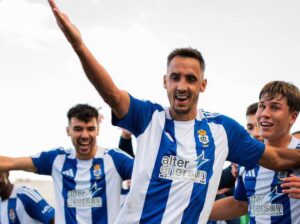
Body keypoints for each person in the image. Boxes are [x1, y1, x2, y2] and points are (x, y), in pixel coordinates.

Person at [46, 1, 300, 222]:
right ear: (164, 81)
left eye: (190, 79)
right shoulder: (148, 117)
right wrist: (78, 45)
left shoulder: (223, 129)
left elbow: (279, 159)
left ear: (202, 85)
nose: (182, 86)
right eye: (175, 77)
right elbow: (111, 93)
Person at [0, 104, 133, 224]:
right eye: (78, 129)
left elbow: (149, 175)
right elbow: (11, 162)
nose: (85, 135)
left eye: (91, 129)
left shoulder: (115, 159)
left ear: (97, 130)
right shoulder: (56, 159)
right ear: (68, 131)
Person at [209, 81, 300, 223]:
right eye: (262, 106)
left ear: (292, 117)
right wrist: (193, 210)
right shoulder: (247, 156)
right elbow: (240, 204)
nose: (265, 113)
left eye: (275, 107)